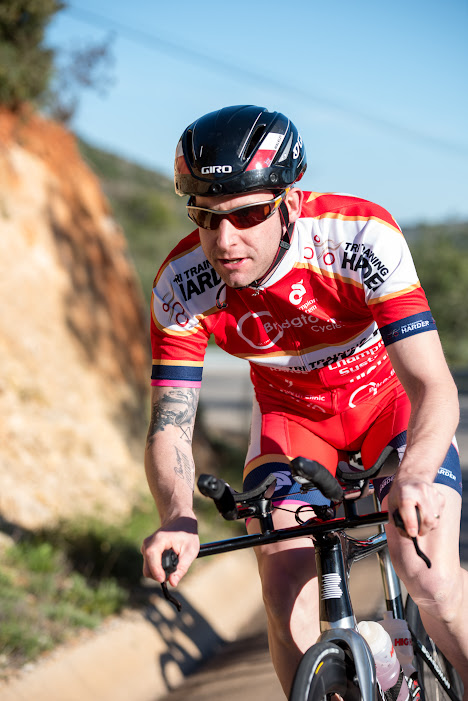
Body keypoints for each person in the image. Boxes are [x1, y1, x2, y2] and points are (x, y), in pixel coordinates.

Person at [141, 105, 467, 697]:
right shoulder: (182, 285)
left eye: (248, 214)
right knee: (282, 588)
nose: (225, 240)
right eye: (206, 217)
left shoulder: (358, 237)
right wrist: (177, 516)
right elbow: (169, 424)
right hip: (293, 426)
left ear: (289, 203)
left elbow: (432, 386)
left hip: (390, 409)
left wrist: (416, 475)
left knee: (429, 576)